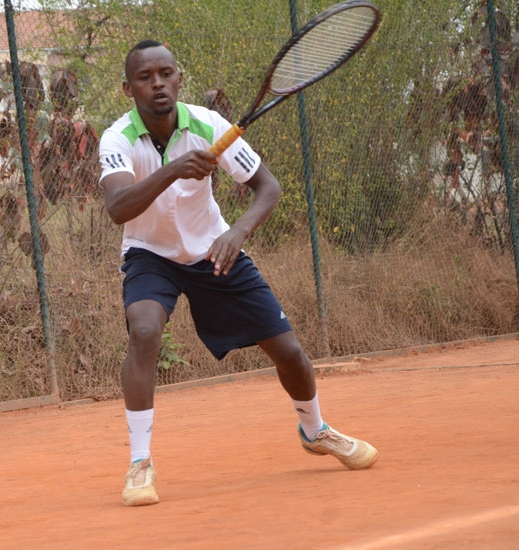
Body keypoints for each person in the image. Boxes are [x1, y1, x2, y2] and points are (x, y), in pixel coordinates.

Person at [98, 39, 379, 507]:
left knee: (288, 350)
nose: (158, 84)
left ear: (179, 79)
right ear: (129, 88)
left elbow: (268, 187)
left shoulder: (209, 125)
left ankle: (316, 430)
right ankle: (139, 464)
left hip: (215, 249)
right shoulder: (117, 139)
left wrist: (238, 233)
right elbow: (117, 207)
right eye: (145, 78)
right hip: (150, 255)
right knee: (144, 330)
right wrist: (174, 170)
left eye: (165, 73)